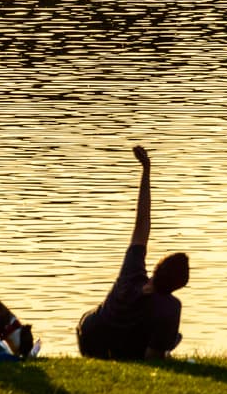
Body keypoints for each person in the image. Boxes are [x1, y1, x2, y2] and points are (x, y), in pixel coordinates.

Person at [76, 146, 189, 360]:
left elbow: (142, 223)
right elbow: (152, 358)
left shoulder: (132, 271)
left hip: (89, 339)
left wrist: (146, 170)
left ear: (157, 267)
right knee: (172, 337)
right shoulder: (170, 308)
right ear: (178, 286)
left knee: (96, 316)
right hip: (120, 351)